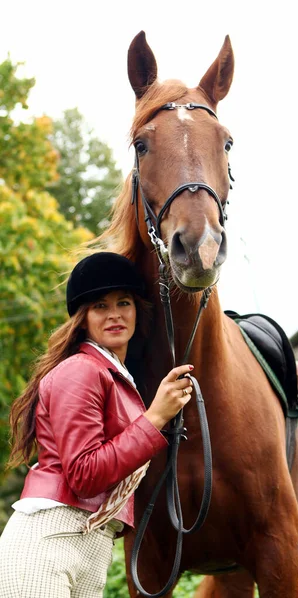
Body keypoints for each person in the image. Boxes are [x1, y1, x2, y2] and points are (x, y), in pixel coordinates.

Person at [0, 252, 193, 598]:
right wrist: (156, 417)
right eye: (100, 306)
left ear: (137, 311)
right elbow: (85, 475)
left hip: (94, 542)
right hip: (50, 539)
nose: (115, 314)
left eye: (124, 302)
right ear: (83, 318)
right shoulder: (80, 370)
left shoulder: (118, 378)